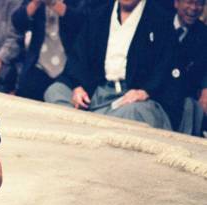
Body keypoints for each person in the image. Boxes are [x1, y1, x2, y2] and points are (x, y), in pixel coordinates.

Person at [44, 0, 176, 130]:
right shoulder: (99, 14)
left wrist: (145, 91)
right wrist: (78, 87)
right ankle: (92, 125)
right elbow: (79, 54)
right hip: (97, 91)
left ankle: (84, 125)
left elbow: (166, 64)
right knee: (55, 91)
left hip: (130, 97)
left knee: (135, 112)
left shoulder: (160, 19)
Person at [12, 0, 86, 101]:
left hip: (68, 66)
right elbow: (17, 22)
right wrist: (35, 3)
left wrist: (53, 3)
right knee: (25, 96)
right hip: (39, 64)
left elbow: (82, 23)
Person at [167, 0, 206, 135]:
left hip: (184, 97)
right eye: (189, 2)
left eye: (200, 3)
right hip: (153, 92)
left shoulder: (203, 34)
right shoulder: (158, 23)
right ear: (176, 3)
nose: (194, 8)